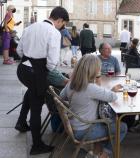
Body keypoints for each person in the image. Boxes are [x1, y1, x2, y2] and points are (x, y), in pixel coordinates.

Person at [15, 7, 69, 155]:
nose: (61, 26)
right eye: (62, 24)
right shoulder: (53, 32)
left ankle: (21, 122)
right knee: (36, 108)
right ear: (59, 20)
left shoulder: (30, 27)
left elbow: (19, 51)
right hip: (36, 73)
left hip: (22, 69)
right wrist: (43, 67)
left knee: (32, 93)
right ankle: (37, 145)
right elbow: (52, 63)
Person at [60, 54, 127, 158]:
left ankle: (97, 151)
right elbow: (113, 97)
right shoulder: (91, 88)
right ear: (94, 70)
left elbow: (62, 96)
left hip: (73, 125)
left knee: (110, 120)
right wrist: (99, 77)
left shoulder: (72, 84)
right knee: (122, 127)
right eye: (98, 68)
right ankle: (104, 155)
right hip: (85, 131)